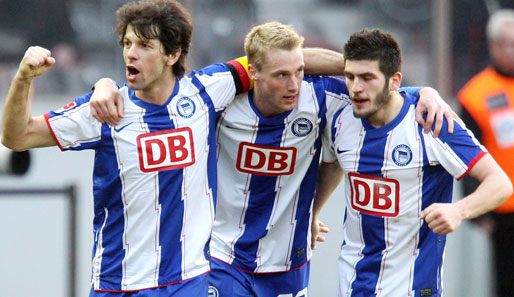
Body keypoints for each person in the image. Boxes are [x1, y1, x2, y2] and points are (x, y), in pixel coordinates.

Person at [91, 21, 457, 296]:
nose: (294, 83)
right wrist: (105, 84)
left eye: (298, 73)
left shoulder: (321, 99)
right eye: (282, 75)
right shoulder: (219, 98)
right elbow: (163, 93)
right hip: (222, 256)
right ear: (253, 74)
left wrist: (420, 91)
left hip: (289, 262)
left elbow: (374, 90)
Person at [1, 0, 256, 296]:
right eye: (127, 43)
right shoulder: (105, 109)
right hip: (120, 285)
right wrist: (22, 79)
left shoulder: (206, 91)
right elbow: (17, 137)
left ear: (173, 53)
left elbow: (274, 61)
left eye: (145, 45)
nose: (131, 53)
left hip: (188, 281)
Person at [324, 28, 512, 297]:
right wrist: (313, 212)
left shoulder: (432, 123)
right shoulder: (341, 119)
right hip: (353, 285)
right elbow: (331, 164)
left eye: (367, 77)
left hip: (413, 288)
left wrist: (458, 210)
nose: (356, 88)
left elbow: (501, 183)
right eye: (350, 77)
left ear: (393, 81)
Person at [456, 9, 514, 297]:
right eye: (507, 44)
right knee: (505, 280)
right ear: (493, 46)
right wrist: (476, 206)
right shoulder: (475, 95)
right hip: (503, 206)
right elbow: (467, 155)